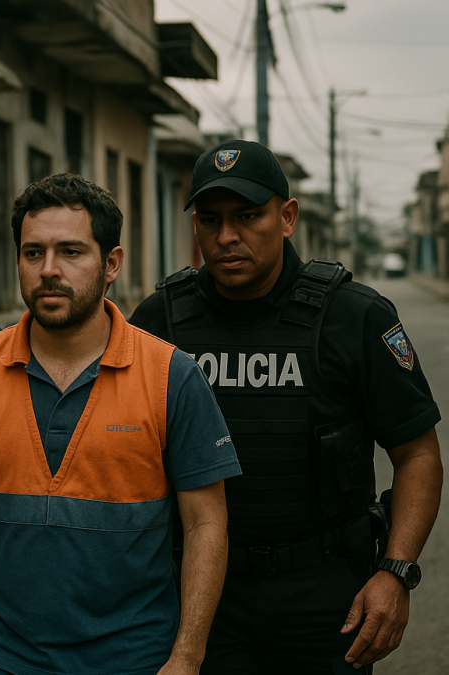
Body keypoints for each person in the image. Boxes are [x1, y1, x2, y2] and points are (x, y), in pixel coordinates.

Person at [129, 139, 443, 673]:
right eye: (211, 220)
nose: (227, 236)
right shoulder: (160, 321)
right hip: (200, 596)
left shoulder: (355, 317)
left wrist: (395, 572)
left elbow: (418, 456)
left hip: (325, 598)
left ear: (288, 216)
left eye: (248, 216)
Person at [0, 173, 242, 675]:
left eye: (71, 252)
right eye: (32, 253)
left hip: (132, 656)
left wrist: (187, 658)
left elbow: (206, 523)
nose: (48, 270)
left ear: (111, 264)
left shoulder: (170, 376)